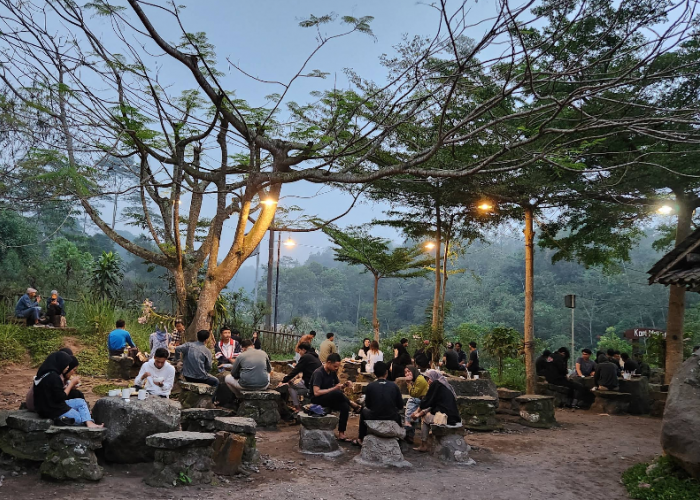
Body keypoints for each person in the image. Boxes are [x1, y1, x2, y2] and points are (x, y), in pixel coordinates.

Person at [33, 351, 103, 428]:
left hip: (50, 406)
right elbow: (61, 397)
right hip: (53, 410)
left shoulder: (44, 374)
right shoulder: (53, 377)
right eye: (66, 364)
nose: (67, 367)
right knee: (79, 418)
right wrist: (71, 384)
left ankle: (89, 423)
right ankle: (62, 420)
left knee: (81, 402)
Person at [310, 353, 360, 442]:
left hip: (330, 397)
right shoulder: (319, 373)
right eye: (335, 366)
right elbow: (316, 392)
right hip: (318, 399)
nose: (336, 368)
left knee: (344, 406)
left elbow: (338, 386)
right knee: (336, 393)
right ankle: (352, 403)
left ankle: (341, 433)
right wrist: (334, 389)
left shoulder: (332, 372)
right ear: (329, 363)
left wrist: (344, 385)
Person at [411, 369, 460, 452]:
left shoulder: (435, 384)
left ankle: (424, 444)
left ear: (433, 377)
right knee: (427, 414)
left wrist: (417, 413)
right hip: (453, 417)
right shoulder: (444, 385)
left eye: (428, 378)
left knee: (424, 418)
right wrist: (418, 413)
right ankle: (430, 436)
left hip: (445, 418)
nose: (428, 381)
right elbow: (433, 404)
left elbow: (426, 402)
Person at [357, 361, 403, 444]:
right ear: (386, 372)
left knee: (363, 411)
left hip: (374, 417)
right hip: (392, 417)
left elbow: (368, 405)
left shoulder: (370, 386)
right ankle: (399, 438)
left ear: (374, 373)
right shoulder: (394, 386)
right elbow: (400, 405)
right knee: (398, 414)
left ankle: (361, 438)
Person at [278, 342, 322, 411]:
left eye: (300, 351)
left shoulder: (306, 357)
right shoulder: (315, 357)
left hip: (309, 384)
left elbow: (295, 371)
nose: (299, 353)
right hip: (317, 385)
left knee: (290, 387)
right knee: (294, 384)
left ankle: (297, 408)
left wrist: (283, 381)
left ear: (303, 350)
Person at [403, 365, 428, 443]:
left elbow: (414, 394)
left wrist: (408, 383)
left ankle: (408, 431)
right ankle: (409, 433)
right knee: (410, 404)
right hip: (419, 399)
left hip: (423, 400)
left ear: (413, 371)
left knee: (411, 403)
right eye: (405, 372)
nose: (407, 374)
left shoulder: (420, 379)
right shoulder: (416, 379)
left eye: (409, 371)